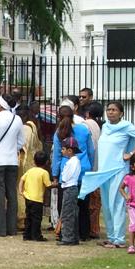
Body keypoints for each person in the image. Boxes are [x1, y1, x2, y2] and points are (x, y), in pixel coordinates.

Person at [78, 101, 135, 249]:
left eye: (114, 110)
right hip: (104, 171)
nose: (110, 112)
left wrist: (131, 154)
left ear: (121, 113)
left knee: (117, 204)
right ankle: (111, 237)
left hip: (118, 170)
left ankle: (119, 239)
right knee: (107, 205)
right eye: (108, 110)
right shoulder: (105, 127)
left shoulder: (126, 126)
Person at [0, 93, 27, 237]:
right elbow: (21, 141)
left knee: (0, 193)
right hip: (12, 161)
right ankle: (12, 228)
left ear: (1, 105)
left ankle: (0, 229)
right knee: (12, 193)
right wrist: (12, 149)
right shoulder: (17, 119)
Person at [50, 100, 91, 238]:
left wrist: (55, 174)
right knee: (83, 203)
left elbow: (56, 155)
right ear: (74, 114)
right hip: (83, 169)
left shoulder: (59, 133)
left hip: (66, 172)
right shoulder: (84, 129)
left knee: (65, 205)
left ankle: (66, 231)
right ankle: (83, 232)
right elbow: (91, 150)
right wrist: (89, 165)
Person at [78, 88, 104, 239]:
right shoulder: (101, 125)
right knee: (94, 202)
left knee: (88, 202)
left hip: (88, 165)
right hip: (96, 166)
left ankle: (89, 229)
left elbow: (89, 148)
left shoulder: (85, 125)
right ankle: (93, 228)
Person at [16, 101, 44, 232]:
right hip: (31, 163)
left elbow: (24, 148)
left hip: (25, 164)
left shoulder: (26, 128)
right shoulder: (32, 125)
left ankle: (22, 219)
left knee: (22, 191)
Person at [19, 151, 54, 241]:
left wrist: (21, 190)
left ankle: (27, 235)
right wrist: (57, 185)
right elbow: (48, 185)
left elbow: (22, 180)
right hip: (37, 199)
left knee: (29, 217)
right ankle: (36, 235)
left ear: (34, 161)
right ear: (47, 162)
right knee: (37, 219)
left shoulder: (30, 171)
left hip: (28, 197)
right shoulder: (44, 172)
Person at [57, 137, 82, 246]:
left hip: (69, 188)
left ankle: (67, 238)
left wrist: (62, 180)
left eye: (63, 149)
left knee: (67, 214)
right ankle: (73, 237)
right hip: (72, 188)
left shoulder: (73, 162)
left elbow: (66, 176)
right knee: (72, 213)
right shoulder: (74, 161)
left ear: (70, 150)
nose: (61, 151)